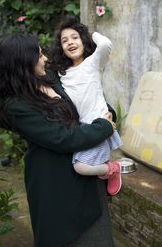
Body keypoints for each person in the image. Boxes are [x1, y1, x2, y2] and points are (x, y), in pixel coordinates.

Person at [0, 34, 117, 247]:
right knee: (63, 245)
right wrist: (103, 127)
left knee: (94, 243)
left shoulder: (49, 78)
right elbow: (62, 138)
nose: (45, 58)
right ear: (23, 62)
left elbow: (82, 99)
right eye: (39, 55)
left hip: (82, 172)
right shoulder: (17, 106)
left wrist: (105, 111)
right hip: (55, 184)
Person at [48, 16, 122, 196]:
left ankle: (112, 169)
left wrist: (90, 33)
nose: (70, 43)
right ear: (61, 49)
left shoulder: (94, 63)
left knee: (81, 167)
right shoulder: (62, 73)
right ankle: (105, 168)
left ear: (83, 40)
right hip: (81, 129)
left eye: (75, 37)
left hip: (99, 123)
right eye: (64, 41)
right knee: (83, 164)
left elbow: (104, 44)